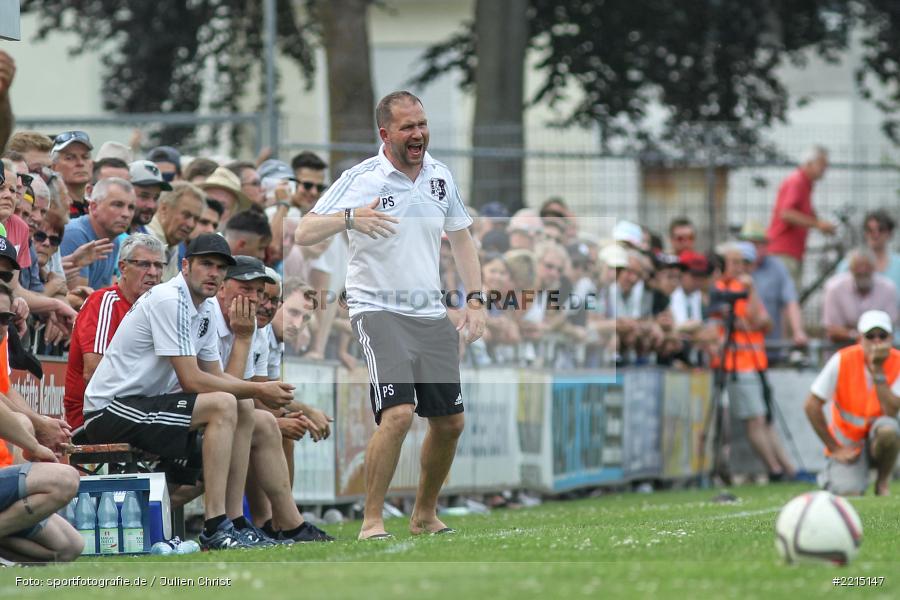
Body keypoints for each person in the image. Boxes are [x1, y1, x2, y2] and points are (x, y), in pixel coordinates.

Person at [295, 90, 486, 540]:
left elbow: (461, 238)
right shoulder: (362, 177)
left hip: (429, 312)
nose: (418, 133)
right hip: (376, 308)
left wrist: (475, 300)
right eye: (407, 127)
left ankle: (423, 514)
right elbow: (303, 230)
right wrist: (349, 217)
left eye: (421, 124)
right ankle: (372, 519)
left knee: (450, 422)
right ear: (386, 133)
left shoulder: (440, 176)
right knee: (398, 414)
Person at [81, 234, 295, 550]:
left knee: (244, 406)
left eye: (220, 267)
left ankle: (233, 521)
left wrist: (246, 355)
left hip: (146, 405)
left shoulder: (204, 307)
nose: (214, 273)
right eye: (206, 264)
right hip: (111, 409)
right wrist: (259, 388)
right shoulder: (170, 299)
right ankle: (215, 525)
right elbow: (193, 381)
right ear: (185, 265)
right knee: (228, 404)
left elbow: (220, 380)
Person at [212, 256, 332, 543]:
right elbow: (249, 391)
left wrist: (294, 413)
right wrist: (297, 413)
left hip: (224, 412)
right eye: (292, 311)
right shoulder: (247, 328)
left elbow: (259, 389)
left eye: (304, 318)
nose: (265, 304)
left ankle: (276, 520)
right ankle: (272, 520)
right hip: (203, 413)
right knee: (270, 426)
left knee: (270, 424)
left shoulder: (262, 333)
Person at [712, 243, 796, 481]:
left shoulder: (746, 287)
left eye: (745, 263)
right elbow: (745, 321)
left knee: (766, 418)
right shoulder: (721, 290)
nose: (742, 268)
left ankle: (788, 468)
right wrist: (751, 315)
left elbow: (764, 322)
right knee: (756, 418)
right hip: (737, 364)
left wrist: (753, 291)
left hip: (756, 362)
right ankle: (775, 469)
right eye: (736, 262)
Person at [64, 234, 165, 428]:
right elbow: (93, 373)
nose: (153, 272)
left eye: (159, 265)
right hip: (94, 416)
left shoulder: (157, 308)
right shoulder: (104, 302)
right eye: (144, 264)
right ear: (123, 268)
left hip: (134, 408)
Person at [805, 310, 900, 496]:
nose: (877, 342)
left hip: (880, 435)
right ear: (860, 339)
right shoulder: (842, 359)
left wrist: (878, 370)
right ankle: (833, 473)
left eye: (882, 336)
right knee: (847, 491)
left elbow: (891, 411)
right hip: (848, 438)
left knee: (888, 430)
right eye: (870, 336)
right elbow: (811, 405)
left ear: (891, 338)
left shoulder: (898, 362)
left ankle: (882, 482)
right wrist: (834, 447)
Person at [766, 145, 836, 290]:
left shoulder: (805, 184)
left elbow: (806, 212)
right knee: (788, 298)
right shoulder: (797, 181)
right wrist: (818, 224)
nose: (825, 169)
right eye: (822, 164)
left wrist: (820, 223)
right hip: (783, 250)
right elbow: (787, 213)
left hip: (791, 251)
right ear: (809, 163)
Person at [739, 220, 808, 362]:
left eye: (758, 244)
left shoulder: (777, 267)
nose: (753, 248)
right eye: (749, 243)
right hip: (742, 351)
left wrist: (797, 331)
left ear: (766, 246)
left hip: (770, 348)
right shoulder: (735, 267)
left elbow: (791, 301)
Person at [61, 177, 134, 290]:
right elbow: (78, 298)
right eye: (117, 205)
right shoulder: (75, 234)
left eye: (131, 207)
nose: (126, 214)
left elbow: (102, 292)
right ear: (94, 207)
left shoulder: (114, 240)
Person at [823, 248, 898, 345]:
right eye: (858, 266)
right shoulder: (834, 288)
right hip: (844, 350)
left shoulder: (888, 288)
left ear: (874, 268)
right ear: (850, 268)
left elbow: (890, 326)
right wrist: (857, 336)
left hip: (880, 351)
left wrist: (849, 331)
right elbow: (832, 330)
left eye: (866, 266)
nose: (862, 270)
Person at [147, 181, 205, 282]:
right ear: (164, 209)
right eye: (186, 215)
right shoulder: (144, 240)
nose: (191, 224)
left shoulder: (172, 246)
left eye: (196, 219)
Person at [837, 209, 900, 293]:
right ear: (865, 233)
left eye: (880, 229)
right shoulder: (849, 262)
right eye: (870, 230)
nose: (875, 234)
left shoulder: (898, 264)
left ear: (890, 233)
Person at [50, 131, 94, 219]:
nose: (80, 163)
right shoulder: (49, 210)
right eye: (70, 158)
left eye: (85, 157)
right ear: (54, 167)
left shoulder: (96, 209)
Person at [128, 159, 172, 234]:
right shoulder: (109, 236)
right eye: (144, 196)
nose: (151, 205)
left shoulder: (150, 235)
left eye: (156, 198)